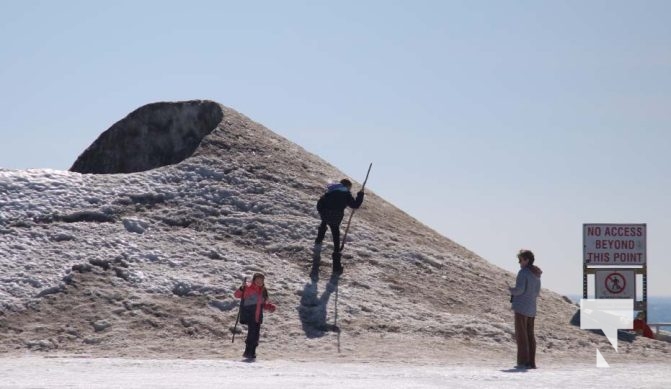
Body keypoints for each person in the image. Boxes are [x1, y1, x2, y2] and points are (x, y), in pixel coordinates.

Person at [314, 178, 364, 273]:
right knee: (336, 238)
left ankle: (318, 241)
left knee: (324, 222)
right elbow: (355, 205)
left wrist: (322, 212)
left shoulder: (331, 190)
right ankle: (336, 266)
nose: (350, 190)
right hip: (335, 218)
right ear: (347, 186)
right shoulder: (346, 194)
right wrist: (360, 194)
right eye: (350, 188)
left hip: (325, 213)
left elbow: (321, 202)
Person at [509, 249, 542, 369]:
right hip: (532, 309)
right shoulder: (536, 274)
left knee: (521, 336)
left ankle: (523, 362)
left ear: (527, 260)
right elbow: (537, 292)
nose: (519, 262)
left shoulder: (523, 272)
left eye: (521, 260)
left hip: (521, 308)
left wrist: (511, 290)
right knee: (530, 336)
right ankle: (531, 362)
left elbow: (520, 290)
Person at [234, 273, 276, 359]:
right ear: (254, 280)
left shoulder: (263, 290)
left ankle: (252, 352)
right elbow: (237, 295)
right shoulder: (248, 287)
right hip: (250, 314)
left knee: (256, 335)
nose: (259, 282)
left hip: (258, 316)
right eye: (257, 280)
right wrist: (242, 288)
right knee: (252, 334)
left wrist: (270, 307)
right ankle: (248, 352)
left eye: (261, 280)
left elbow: (263, 304)